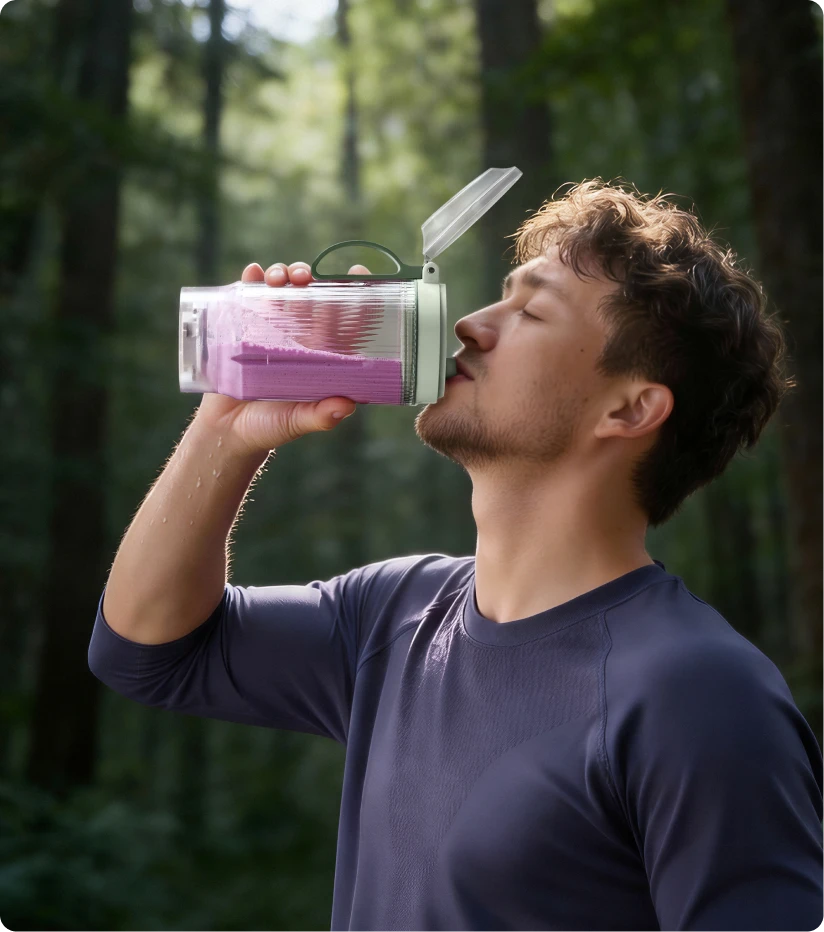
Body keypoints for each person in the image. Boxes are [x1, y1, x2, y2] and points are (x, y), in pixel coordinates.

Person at [89, 180, 824, 931]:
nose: (471, 324)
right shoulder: (395, 615)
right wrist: (229, 424)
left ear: (630, 408)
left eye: (530, 310)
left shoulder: (698, 697)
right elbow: (147, 650)